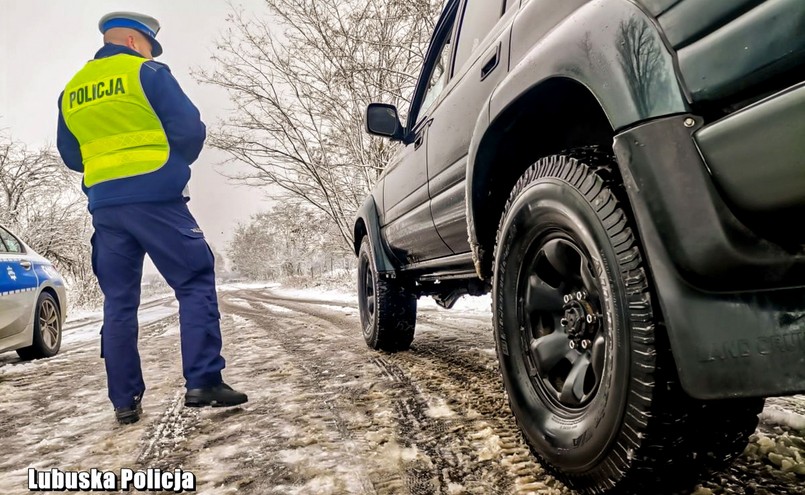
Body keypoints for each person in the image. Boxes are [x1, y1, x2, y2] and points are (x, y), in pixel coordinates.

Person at [56, 12, 247, 425]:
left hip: (105, 207)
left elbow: (72, 155)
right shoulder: (148, 72)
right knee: (194, 280)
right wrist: (168, 165)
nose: (150, 51)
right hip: (157, 198)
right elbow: (189, 129)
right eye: (147, 44)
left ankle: (124, 401)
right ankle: (204, 381)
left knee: (120, 302)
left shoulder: (71, 91)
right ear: (131, 40)